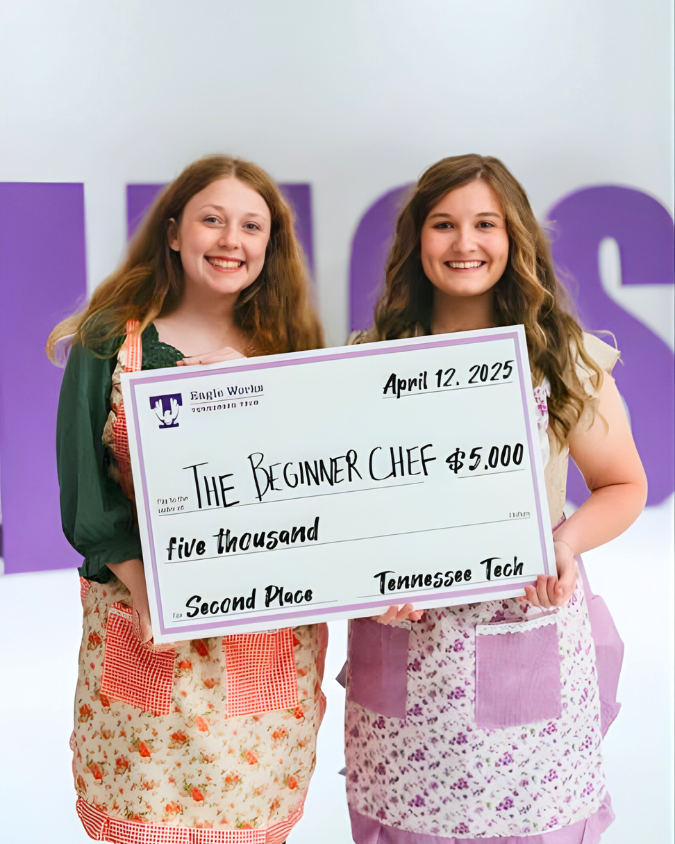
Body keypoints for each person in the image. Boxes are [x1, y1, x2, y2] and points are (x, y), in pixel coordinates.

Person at [342, 154, 647, 842]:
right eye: (443, 224)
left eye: (485, 224)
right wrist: (367, 580)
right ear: (417, 239)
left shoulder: (562, 360)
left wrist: (563, 543)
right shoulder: (368, 358)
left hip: (526, 634)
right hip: (406, 660)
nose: (464, 243)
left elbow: (624, 485)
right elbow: (343, 508)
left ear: (514, 238)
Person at [48, 155, 327, 843]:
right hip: (144, 628)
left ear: (270, 245)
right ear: (174, 232)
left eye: (252, 226)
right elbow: (87, 502)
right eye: (212, 219)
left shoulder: (292, 353)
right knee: (144, 822)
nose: (232, 240)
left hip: (263, 646)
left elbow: (317, 495)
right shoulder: (108, 344)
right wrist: (149, 590)